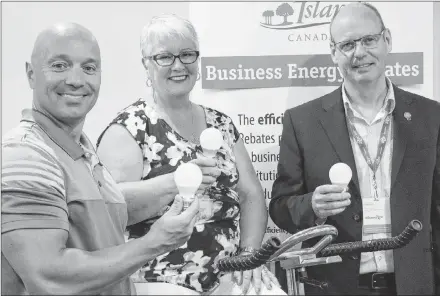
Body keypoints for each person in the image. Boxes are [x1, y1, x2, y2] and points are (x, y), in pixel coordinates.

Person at [1, 22, 200, 295]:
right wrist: (154, 243)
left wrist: (177, 186)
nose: (76, 79)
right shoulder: (26, 154)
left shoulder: (82, 149)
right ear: (31, 74)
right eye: (59, 65)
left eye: (89, 68)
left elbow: (105, 219)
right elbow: (48, 276)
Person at [96, 14, 284, 295]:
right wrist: (177, 181)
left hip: (231, 270)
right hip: (159, 277)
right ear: (145, 64)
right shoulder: (130, 127)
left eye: (186, 55)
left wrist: (250, 256)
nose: (178, 66)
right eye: (164, 57)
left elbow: (251, 196)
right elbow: (113, 210)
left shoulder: (221, 124)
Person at [270, 2, 440, 295]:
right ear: (334, 53)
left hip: (414, 284)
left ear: (386, 40)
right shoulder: (302, 121)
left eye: (368, 40)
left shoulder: (430, 116)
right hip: (334, 285)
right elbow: (280, 206)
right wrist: (312, 206)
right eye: (347, 44)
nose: (359, 53)